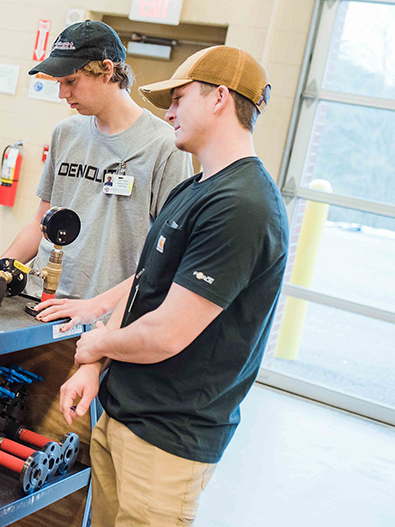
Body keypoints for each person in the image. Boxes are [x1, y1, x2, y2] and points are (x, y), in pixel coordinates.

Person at [58, 46, 288, 526]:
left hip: (169, 440)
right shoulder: (194, 188)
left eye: (179, 98)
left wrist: (96, 344)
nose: (168, 113)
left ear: (220, 98)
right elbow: (143, 287)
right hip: (122, 413)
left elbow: (166, 333)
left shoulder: (242, 206)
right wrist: (94, 367)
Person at [0, 21, 192, 324]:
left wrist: (101, 310)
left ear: (106, 70)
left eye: (71, 81)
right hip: (38, 302)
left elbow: (167, 254)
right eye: (58, 83)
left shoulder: (164, 146)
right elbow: (41, 221)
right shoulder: (66, 132)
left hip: (101, 318)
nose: (62, 93)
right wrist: (1, 269)